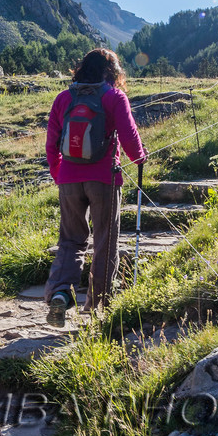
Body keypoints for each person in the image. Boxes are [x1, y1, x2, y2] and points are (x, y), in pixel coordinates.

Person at [43, 48, 147, 326]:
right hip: (105, 178)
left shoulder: (64, 98)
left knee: (70, 240)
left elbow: (52, 144)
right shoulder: (114, 97)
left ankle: (61, 293)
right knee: (105, 241)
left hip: (69, 179)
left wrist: (60, 175)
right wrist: (139, 157)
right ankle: (98, 306)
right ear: (111, 72)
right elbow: (129, 136)